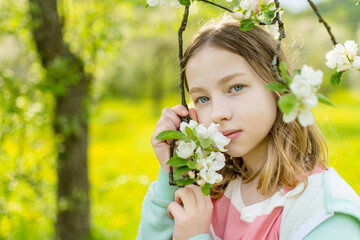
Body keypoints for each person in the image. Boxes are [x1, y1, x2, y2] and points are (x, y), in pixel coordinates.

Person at [136, 18, 360, 240]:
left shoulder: (324, 215)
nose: (217, 113)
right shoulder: (211, 188)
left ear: (278, 85)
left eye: (236, 87)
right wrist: (171, 175)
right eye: (203, 98)